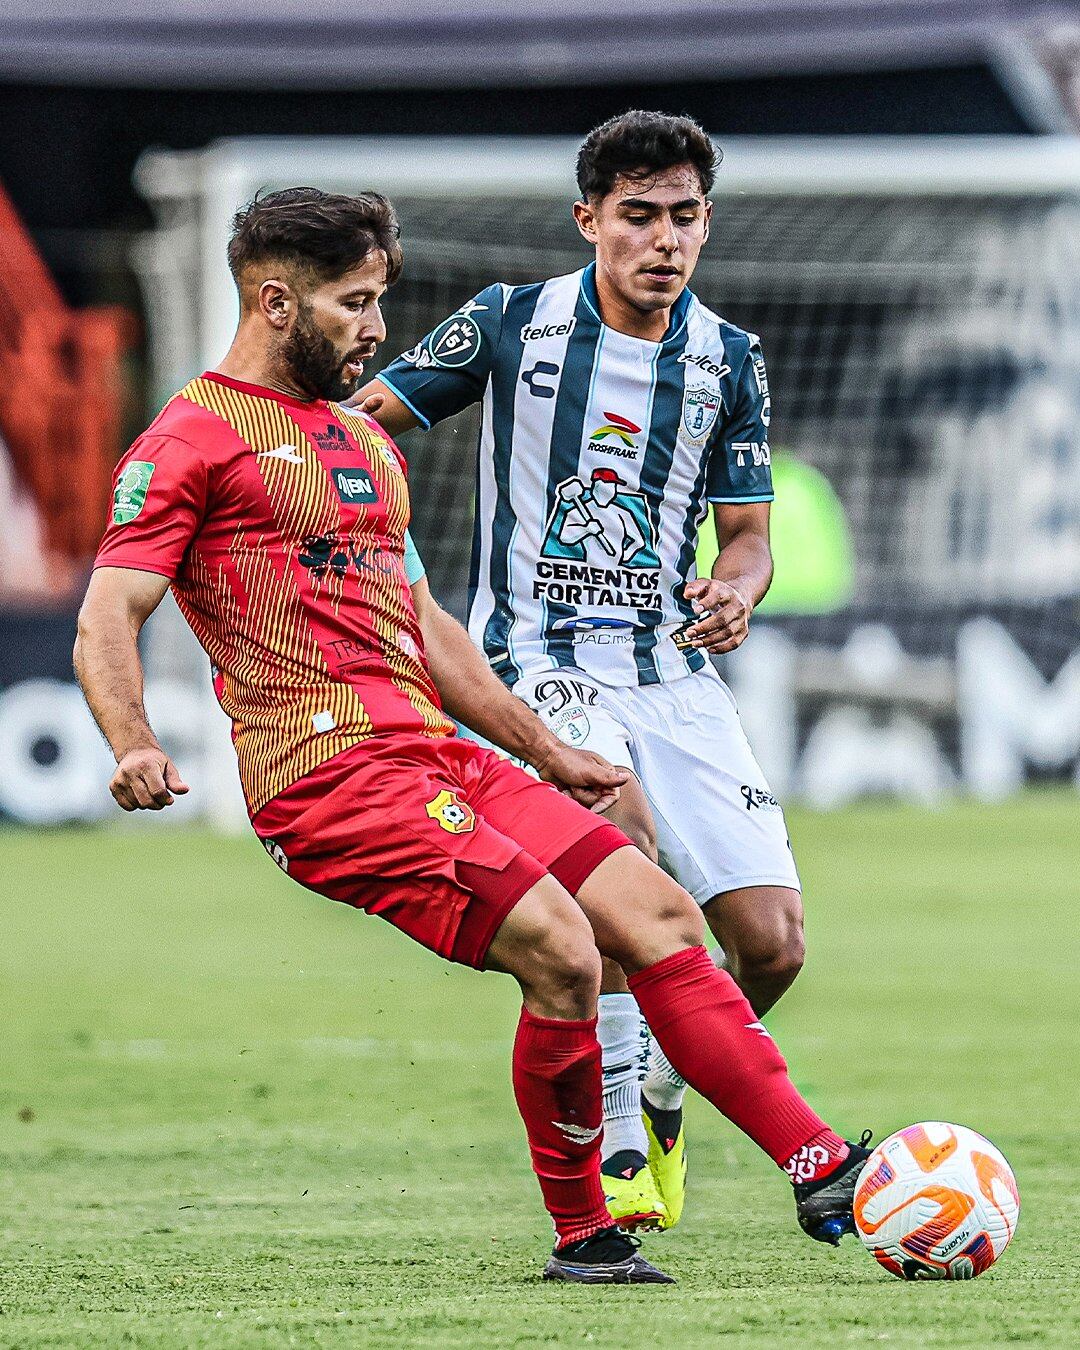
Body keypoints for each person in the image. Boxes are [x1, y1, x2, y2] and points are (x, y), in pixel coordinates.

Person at [75, 187, 869, 1286]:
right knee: (563, 946)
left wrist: (547, 752)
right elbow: (107, 612)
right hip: (325, 775)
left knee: (661, 912)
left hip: (438, 756)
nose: (375, 328)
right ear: (274, 302)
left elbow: (430, 630)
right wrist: (131, 740)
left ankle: (819, 1163)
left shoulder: (360, 448)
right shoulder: (189, 439)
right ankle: (588, 1235)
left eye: (378, 301)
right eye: (353, 304)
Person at [356, 111, 805, 1231]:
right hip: (535, 660)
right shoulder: (510, 323)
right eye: (639, 215)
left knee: (772, 945)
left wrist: (737, 588)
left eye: (684, 217)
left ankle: (660, 1096)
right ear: (590, 219)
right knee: (628, 851)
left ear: (707, 223)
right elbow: (364, 425)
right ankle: (608, 1150)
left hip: (672, 670)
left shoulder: (730, 360)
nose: (664, 240)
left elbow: (746, 533)